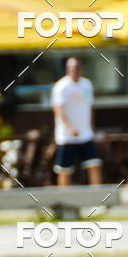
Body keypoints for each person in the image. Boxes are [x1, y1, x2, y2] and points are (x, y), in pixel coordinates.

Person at [51, 56, 102, 186]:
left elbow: (90, 107)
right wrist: (70, 127)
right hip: (67, 136)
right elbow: (58, 109)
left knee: (94, 164)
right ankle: (63, 199)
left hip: (86, 134)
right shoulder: (61, 86)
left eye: (77, 68)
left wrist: (91, 126)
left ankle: (98, 199)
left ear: (81, 69)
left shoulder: (87, 84)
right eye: (71, 68)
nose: (74, 71)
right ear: (67, 70)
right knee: (65, 170)